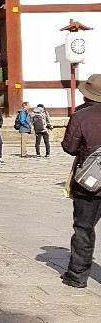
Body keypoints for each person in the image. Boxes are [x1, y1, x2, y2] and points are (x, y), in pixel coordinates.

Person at [60, 74, 101, 289]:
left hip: (89, 184)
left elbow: (70, 147)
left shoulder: (81, 116)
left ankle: (77, 276)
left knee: (84, 228)